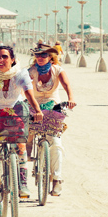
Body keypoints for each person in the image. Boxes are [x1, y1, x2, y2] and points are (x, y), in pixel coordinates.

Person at [0, 45, 43, 198]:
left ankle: (22, 183)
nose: (1, 59)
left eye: (5, 56)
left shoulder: (20, 74)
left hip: (15, 109)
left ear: (12, 59)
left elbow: (29, 94)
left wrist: (38, 111)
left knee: (20, 144)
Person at [27, 45, 76, 196]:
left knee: (55, 142)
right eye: (37, 55)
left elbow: (66, 85)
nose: (40, 58)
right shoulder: (31, 71)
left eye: (44, 55)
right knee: (26, 129)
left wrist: (71, 99)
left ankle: (57, 179)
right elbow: (23, 86)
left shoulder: (57, 70)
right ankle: (28, 147)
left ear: (50, 57)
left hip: (53, 104)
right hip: (34, 104)